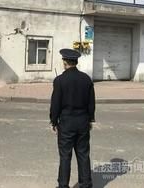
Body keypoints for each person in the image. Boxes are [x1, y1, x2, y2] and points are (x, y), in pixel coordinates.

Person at [50, 48, 95, 188]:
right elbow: (91, 102)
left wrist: (53, 121)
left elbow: (55, 103)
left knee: (65, 156)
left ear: (64, 62)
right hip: (82, 122)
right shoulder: (86, 79)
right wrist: (90, 119)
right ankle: (86, 184)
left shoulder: (60, 80)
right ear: (76, 62)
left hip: (66, 123)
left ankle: (63, 185)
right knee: (83, 154)